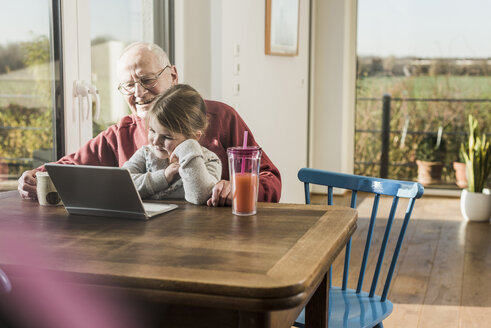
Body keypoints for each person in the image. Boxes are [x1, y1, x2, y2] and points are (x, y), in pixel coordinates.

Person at [17, 42, 281, 206]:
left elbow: (271, 179)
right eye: (129, 85)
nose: (139, 93)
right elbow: (69, 167)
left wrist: (240, 188)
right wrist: (33, 176)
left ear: (173, 75)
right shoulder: (120, 134)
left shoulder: (221, 116)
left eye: (147, 80)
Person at [123, 84, 221, 204]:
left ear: (194, 137)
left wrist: (189, 146)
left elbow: (201, 196)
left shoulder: (210, 160)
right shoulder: (146, 153)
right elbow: (122, 184)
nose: (156, 141)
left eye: (167, 137)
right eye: (152, 130)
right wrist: (163, 177)